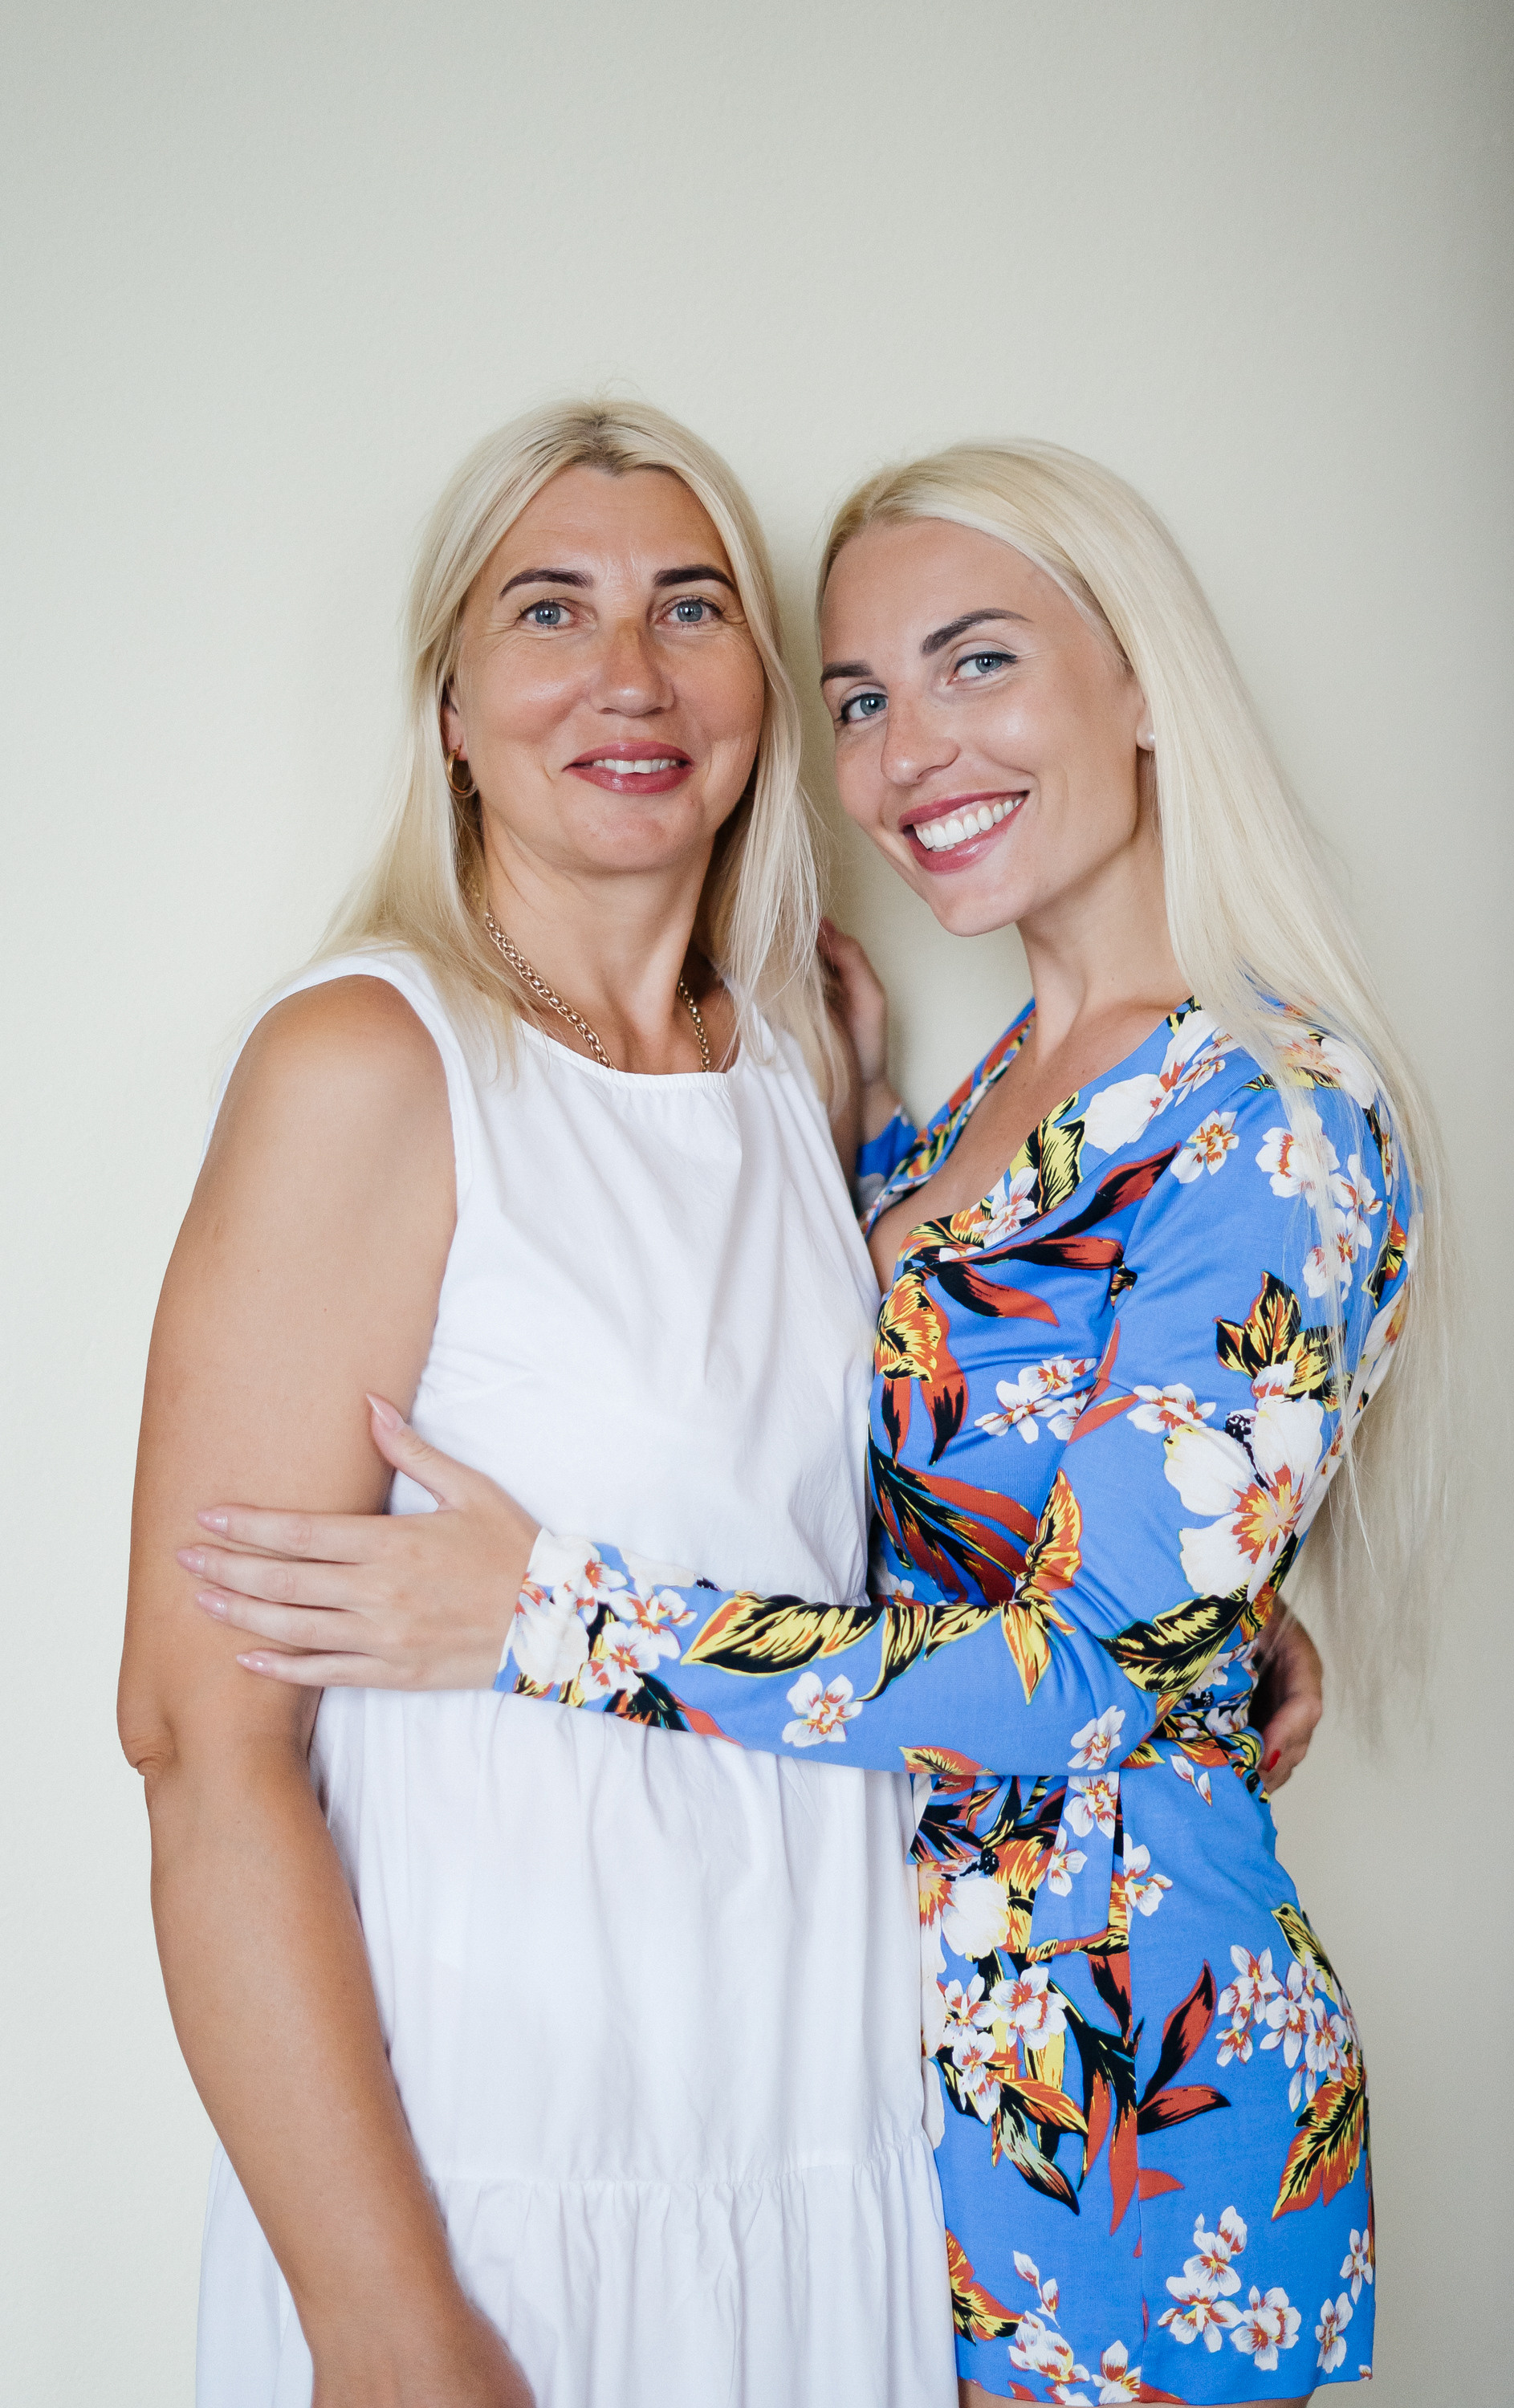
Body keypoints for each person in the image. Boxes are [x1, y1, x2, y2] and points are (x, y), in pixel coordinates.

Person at [178, 441, 1434, 2408]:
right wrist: (1216, 1603)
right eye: (862, 697)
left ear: (1140, 688)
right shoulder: (933, 1109)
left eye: (976, 662)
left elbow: (1089, 1663)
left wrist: (543, 1617)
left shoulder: (1269, 1116)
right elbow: (895, 1468)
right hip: (864, 2109)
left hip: (1117, 2125)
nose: (912, 747)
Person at [116, 400, 962, 2408]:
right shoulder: (369, 1062)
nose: (628, 676)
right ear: (450, 707)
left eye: (690, 609)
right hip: (493, 2183)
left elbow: (861, 1530)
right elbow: (194, 1747)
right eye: (549, 611)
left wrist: (1216, 1637)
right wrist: (384, 2323)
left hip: (810, 2133)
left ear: (759, 682)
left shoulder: (791, 1062)